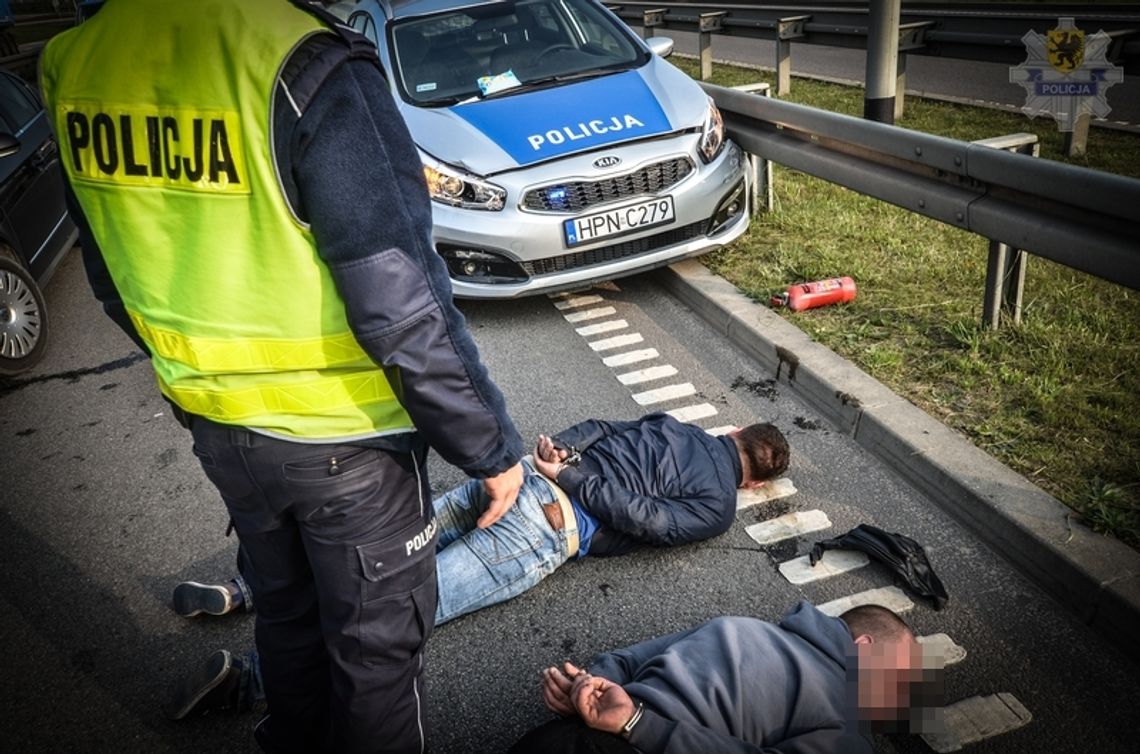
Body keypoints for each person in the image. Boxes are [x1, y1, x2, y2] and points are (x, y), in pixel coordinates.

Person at [39, 1, 524, 752]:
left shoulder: (76, 59)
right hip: (348, 439)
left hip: (223, 429)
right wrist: (488, 449)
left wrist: (198, 380)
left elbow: (109, 273)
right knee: (375, 658)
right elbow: (399, 302)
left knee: (289, 626)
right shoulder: (301, 56)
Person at [169, 412, 791, 718]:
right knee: (409, 604)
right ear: (755, 486)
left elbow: (602, 426)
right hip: (547, 526)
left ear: (732, 431)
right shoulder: (717, 509)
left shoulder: (672, 424)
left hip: (514, 479)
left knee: (380, 542)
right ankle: (253, 679)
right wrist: (569, 475)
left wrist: (558, 452)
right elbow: (646, 520)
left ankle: (242, 588)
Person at [512, 602, 928, 754]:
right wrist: (635, 723)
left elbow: (625, 660)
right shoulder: (849, 729)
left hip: (557, 737)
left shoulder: (739, 624)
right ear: (863, 647)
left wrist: (587, 689)